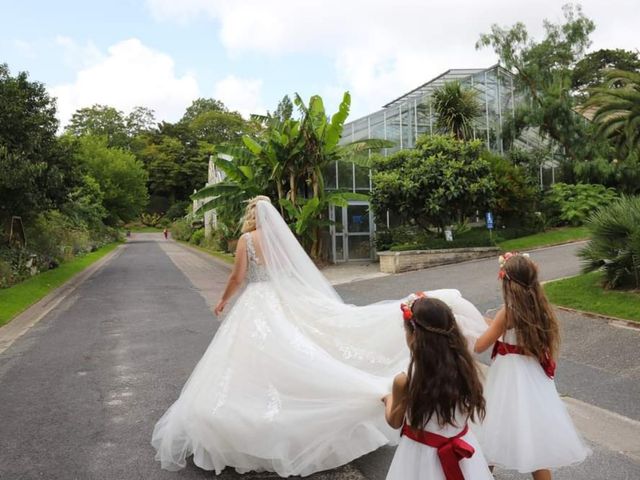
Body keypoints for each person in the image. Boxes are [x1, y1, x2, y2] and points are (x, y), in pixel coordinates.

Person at [151, 196, 488, 476]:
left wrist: (223, 300)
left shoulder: (247, 240)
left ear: (250, 215)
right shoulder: (279, 241)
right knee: (295, 351)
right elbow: (294, 274)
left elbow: (239, 276)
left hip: (256, 303)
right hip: (282, 301)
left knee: (255, 360)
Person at [474, 252, 590, 480]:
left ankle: (479, 474)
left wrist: (477, 327)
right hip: (531, 375)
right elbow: (508, 332)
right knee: (534, 438)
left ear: (506, 281)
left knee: (494, 428)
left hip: (508, 377)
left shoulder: (507, 312)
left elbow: (480, 346)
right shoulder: (539, 307)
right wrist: (490, 325)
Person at [383, 295, 493, 480]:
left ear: (413, 335)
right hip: (464, 454)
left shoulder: (405, 380)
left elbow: (394, 421)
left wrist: (388, 399)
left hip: (419, 456)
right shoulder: (465, 369)